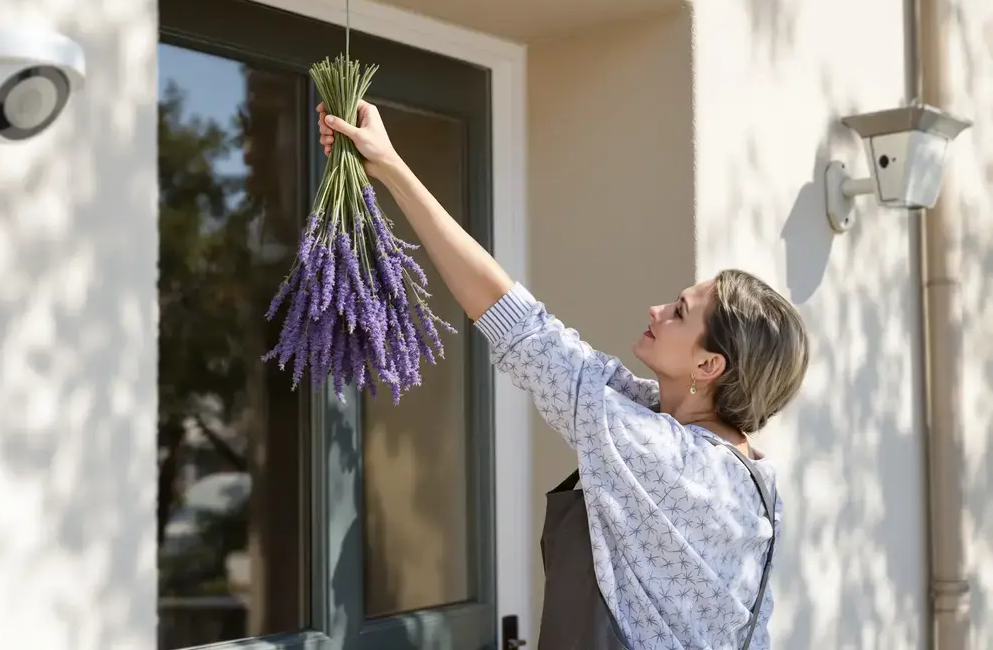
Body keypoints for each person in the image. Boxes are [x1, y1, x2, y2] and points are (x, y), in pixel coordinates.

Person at [318, 100, 809, 650]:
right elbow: (578, 362)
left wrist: (392, 169)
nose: (656, 311)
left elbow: (521, 330)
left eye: (678, 311)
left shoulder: (661, 455)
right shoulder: (751, 480)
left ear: (708, 365)